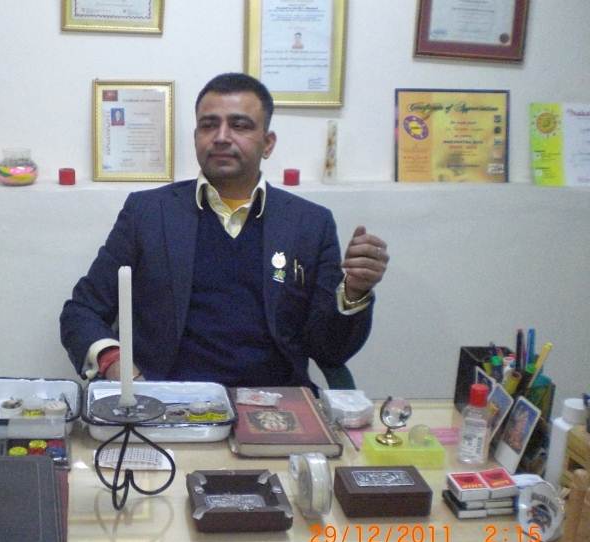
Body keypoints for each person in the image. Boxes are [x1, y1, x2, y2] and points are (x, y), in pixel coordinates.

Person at [60, 72, 388, 391]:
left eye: (239, 125)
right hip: (167, 398)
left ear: (268, 143)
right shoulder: (148, 213)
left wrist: (354, 292)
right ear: (196, 138)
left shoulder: (310, 224)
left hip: (276, 399)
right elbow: (82, 310)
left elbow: (331, 351)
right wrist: (114, 362)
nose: (221, 136)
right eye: (208, 125)